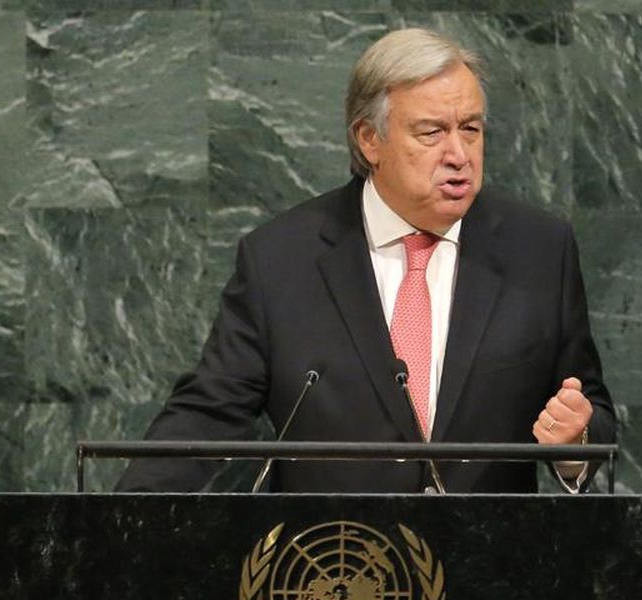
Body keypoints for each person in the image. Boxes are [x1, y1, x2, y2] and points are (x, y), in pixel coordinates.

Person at [116, 28, 615, 494]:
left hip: (489, 567)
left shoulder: (540, 250)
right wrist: (110, 523)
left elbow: (589, 409)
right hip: (332, 567)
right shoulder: (281, 260)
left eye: (471, 129)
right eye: (431, 132)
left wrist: (574, 440)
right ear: (369, 140)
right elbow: (207, 412)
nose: (459, 154)